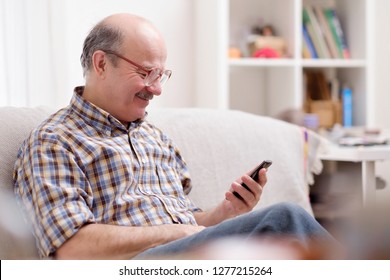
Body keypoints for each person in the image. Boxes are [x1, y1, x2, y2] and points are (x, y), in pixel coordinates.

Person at [13, 13, 337, 260]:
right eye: (145, 73)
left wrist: (224, 214)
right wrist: (179, 233)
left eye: (161, 74)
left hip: (189, 255)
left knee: (284, 247)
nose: (156, 89)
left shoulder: (155, 138)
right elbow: (71, 248)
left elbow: (190, 221)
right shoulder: (54, 141)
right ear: (101, 63)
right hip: (136, 266)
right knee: (284, 218)